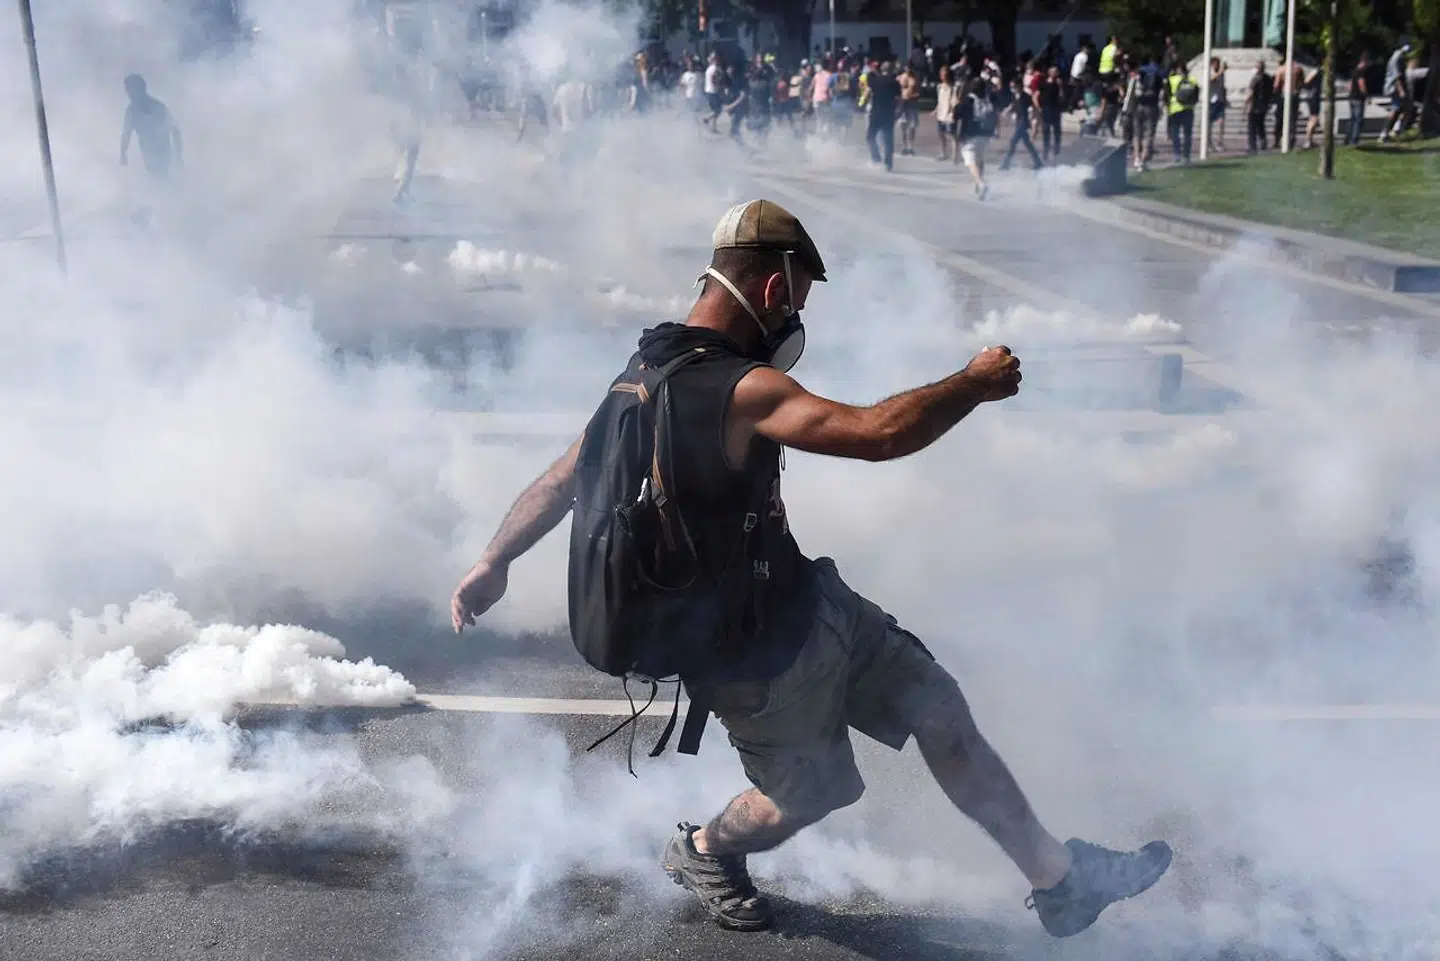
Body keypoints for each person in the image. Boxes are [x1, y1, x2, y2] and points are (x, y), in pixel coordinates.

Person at [450, 199, 1175, 937]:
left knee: (940, 711)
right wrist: (972, 382)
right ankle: (703, 848)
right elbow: (878, 434)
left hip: (810, 601)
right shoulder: (740, 389)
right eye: (798, 296)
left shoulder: (637, 378)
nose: (797, 314)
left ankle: (1061, 883)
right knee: (807, 794)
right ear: (771, 290)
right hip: (754, 661)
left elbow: (562, 478)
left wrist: (492, 559)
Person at [120, 74, 182, 181]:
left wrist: (179, 155)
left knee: (161, 179)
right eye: (127, 91)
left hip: (163, 153)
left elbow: (175, 130)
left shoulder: (159, 108)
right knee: (157, 181)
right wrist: (123, 153)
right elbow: (126, 134)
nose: (129, 95)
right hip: (148, 156)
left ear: (141, 89)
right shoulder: (131, 111)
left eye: (131, 90)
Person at [866, 62, 900, 171]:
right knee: (888, 139)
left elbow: (867, 77)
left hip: (876, 113)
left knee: (870, 136)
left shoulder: (876, 81)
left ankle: (876, 158)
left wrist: (874, 71)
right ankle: (888, 164)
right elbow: (899, 98)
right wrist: (898, 111)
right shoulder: (894, 83)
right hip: (889, 113)